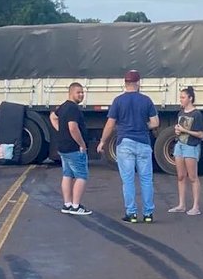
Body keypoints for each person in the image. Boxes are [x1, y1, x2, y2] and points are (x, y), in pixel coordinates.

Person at [97, 70, 159, 223]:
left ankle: (131, 214)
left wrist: (102, 142)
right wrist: (144, 125)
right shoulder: (146, 100)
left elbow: (110, 124)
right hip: (143, 142)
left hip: (125, 143)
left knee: (128, 180)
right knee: (146, 179)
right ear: (138, 83)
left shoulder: (118, 101)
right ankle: (148, 214)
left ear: (125, 83)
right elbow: (156, 123)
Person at [49, 82, 92, 216]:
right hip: (74, 148)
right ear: (71, 92)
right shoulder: (73, 108)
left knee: (67, 175)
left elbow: (53, 116)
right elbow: (73, 128)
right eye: (78, 92)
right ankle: (75, 206)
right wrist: (82, 144)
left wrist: (60, 130)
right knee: (81, 176)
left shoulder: (62, 107)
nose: (81, 95)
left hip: (63, 147)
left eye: (82, 92)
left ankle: (67, 204)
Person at [168, 86, 203, 216]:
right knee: (180, 176)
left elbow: (201, 134)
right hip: (180, 144)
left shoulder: (197, 114)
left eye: (183, 97)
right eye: (180, 97)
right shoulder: (181, 113)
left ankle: (196, 206)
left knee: (193, 177)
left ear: (190, 98)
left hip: (191, 146)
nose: (181, 100)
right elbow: (180, 130)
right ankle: (181, 204)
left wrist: (185, 131)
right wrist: (178, 130)